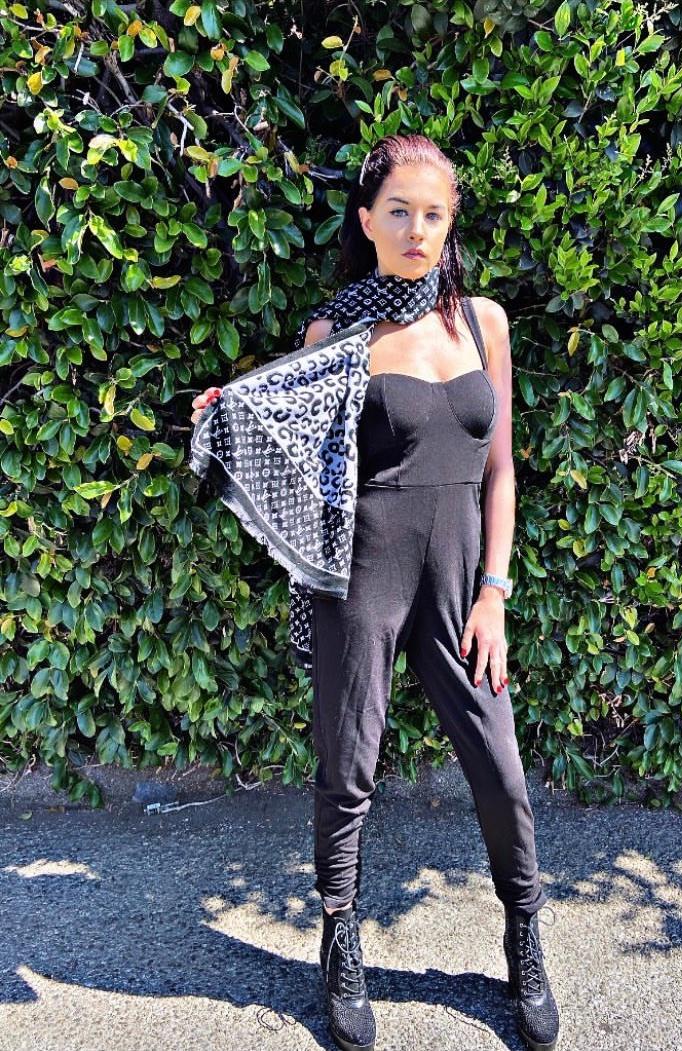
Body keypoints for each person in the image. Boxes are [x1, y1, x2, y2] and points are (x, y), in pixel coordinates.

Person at [192, 133, 559, 1051]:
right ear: (366, 220)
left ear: (451, 222)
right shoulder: (337, 334)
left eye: (433, 213)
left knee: (502, 772)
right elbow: (284, 436)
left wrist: (495, 592)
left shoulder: (483, 323)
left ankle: (523, 936)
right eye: (399, 211)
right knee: (347, 768)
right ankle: (339, 936)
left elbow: (502, 470)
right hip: (361, 581)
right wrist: (228, 413)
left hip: (461, 587)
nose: (416, 229)